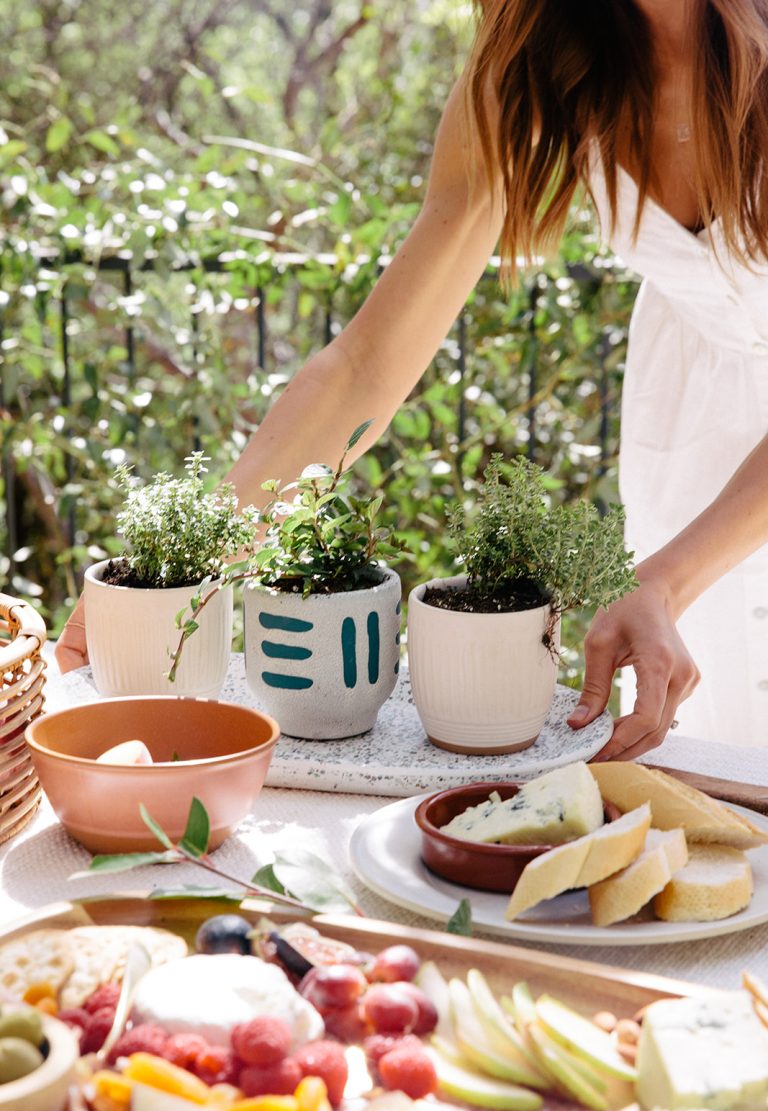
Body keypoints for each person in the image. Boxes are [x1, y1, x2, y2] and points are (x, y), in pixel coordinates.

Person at [56, 0, 768, 756]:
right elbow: (366, 366)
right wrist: (179, 572)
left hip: (710, 533)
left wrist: (667, 582)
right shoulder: (536, 50)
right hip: (688, 454)